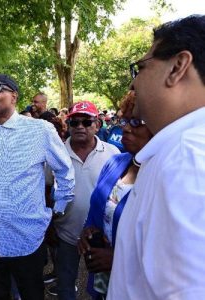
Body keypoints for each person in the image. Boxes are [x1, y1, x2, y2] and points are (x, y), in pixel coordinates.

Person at [107, 15, 205, 299]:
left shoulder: (188, 158)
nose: (134, 84)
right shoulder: (177, 151)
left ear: (177, 67)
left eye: (140, 68)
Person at [0, 73, 75, 300]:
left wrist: (57, 209)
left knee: (31, 295)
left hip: (27, 238)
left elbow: (65, 171)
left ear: (14, 96)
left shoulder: (40, 130)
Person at [77, 91, 152, 299]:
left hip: (136, 287)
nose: (125, 128)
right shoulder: (115, 162)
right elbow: (97, 209)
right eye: (124, 120)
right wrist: (87, 231)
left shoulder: (163, 175)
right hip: (104, 281)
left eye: (136, 121)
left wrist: (119, 258)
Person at [50, 101, 120, 299]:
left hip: (100, 235)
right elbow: (46, 188)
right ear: (68, 125)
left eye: (86, 122)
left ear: (97, 124)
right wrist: (49, 225)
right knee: (65, 284)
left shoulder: (113, 154)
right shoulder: (56, 153)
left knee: (102, 287)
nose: (80, 126)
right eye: (74, 122)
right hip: (65, 233)